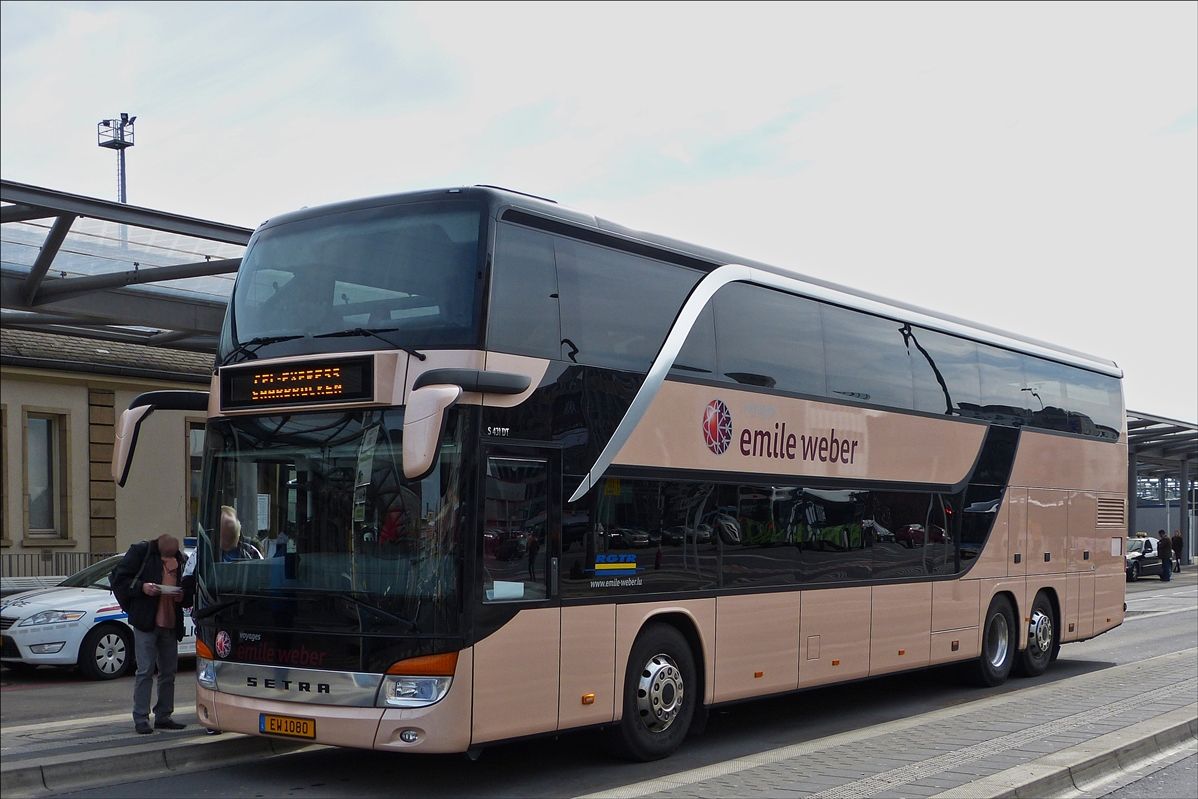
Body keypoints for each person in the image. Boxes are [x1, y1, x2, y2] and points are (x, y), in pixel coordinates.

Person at [111, 534, 190, 734]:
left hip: (170, 624)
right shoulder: (142, 552)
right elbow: (120, 578)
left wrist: (183, 595)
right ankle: (141, 718)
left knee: (168, 672)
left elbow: (189, 591)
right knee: (145, 670)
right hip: (146, 622)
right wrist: (143, 587)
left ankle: (164, 716)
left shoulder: (181, 561)